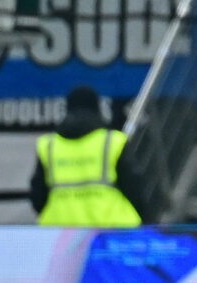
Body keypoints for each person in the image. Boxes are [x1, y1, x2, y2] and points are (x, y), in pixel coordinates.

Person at [30, 86, 143, 226]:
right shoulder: (113, 141)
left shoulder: (48, 145)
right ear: (97, 109)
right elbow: (134, 188)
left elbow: (38, 195)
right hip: (112, 228)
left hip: (60, 231)